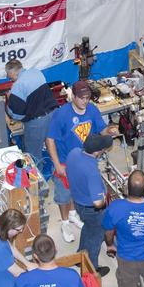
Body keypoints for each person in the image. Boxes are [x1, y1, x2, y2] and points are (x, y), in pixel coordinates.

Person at [47, 80, 112, 242]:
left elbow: (102, 129)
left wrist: (110, 130)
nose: (85, 101)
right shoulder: (61, 114)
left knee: (79, 192)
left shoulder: (92, 110)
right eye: (82, 98)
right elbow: (50, 140)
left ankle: (73, 214)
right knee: (64, 196)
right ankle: (64, 223)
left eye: (88, 97)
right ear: (73, 97)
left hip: (85, 162)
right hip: (65, 162)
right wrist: (56, 164)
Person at [4, 59, 59, 184]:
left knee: (32, 155)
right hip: (54, 115)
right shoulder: (36, 72)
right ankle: (58, 175)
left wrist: (9, 99)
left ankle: (36, 185)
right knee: (53, 147)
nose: (9, 78)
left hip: (37, 123)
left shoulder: (17, 86)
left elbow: (16, 114)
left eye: (8, 75)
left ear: (12, 73)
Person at [66, 132, 112, 275]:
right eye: (103, 148)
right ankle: (91, 269)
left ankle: (80, 256)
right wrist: (105, 199)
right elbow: (98, 203)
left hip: (78, 201)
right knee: (96, 237)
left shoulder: (73, 153)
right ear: (97, 152)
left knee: (88, 228)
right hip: (92, 210)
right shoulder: (91, 171)